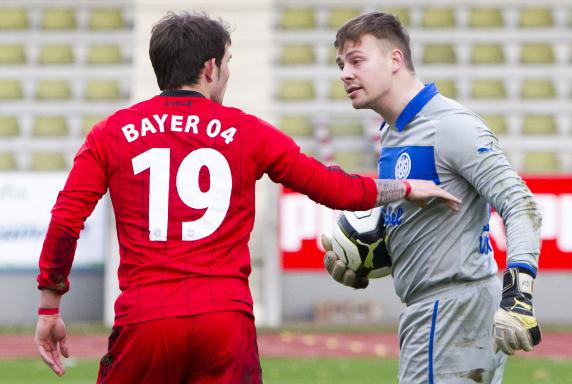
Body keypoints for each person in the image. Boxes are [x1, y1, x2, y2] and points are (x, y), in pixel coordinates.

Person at [33, 11, 461, 383]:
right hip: (225, 322)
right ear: (210, 67)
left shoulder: (111, 133)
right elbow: (334, 188)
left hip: (146, 320)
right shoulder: (247, 132)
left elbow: (67, 219)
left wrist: (50, 305)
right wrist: (404, 187)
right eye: (228, 63)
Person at [322, 11, 542, 384]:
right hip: (440, 309)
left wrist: (518, 295)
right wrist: (370, 258)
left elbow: (521, 205)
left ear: (395, 60)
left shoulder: (450, 125)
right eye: (341, 64)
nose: (345, 73)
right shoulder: (393, 133)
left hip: (450, 310)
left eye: (357, 60)